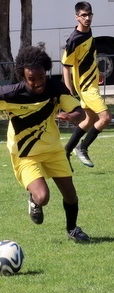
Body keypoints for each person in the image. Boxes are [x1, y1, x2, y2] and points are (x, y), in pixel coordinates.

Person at [0, 46, 90, 242]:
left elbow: (81, 113)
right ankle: (34, 200)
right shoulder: (10, 94)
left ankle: (73, 229)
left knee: (70, 195)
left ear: (46, 71)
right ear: (23, 76)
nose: (38, 83)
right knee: (43, 197)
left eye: (41, 77)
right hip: (25, 154)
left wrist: (70, 116)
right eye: (31, 79)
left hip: (53, 151)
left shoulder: (55, 88)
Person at [61, 1, 112, 168]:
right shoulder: (73, 40)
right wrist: (68, 89)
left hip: (92, 84)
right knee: (105, 118)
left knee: (89, 119)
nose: (87, 18)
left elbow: (89, 58)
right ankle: (82, 147)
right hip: (86, 88)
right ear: (77, 17)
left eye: (89, 14)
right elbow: (66, 66)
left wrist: (98, 74)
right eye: (83, 15)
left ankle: (66, 151)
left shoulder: (89, 32)